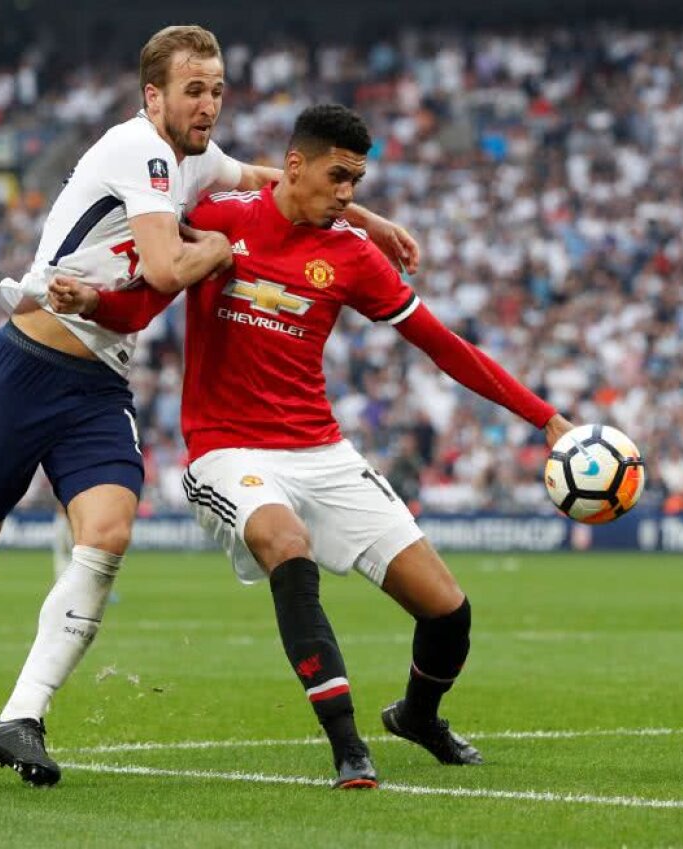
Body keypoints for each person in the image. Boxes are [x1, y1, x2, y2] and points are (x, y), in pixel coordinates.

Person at [0, 27, 421, 787]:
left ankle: (22, 716)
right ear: (152, 96)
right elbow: (166, 265)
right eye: (194, 89)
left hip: (97, 387)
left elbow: (274, 181)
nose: (209, 103)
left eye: (218, 89)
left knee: (108, 533)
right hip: (25, 365)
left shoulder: (194, 159)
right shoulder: (139, 149)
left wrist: (364, 218)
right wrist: (218, 251)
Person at [49, 104, 574, 788]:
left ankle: (418, 714)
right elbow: (148, 299)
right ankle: (348, 745)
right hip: (227, 450)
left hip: (321, 450)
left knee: (448, 609)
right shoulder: (223, 218)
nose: (349, 194)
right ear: (295, 164)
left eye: (357, 181)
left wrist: (546, 419)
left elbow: (445, 347)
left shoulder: (353, 255)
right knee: (287, 545)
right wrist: (94, 303)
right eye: (339, 176)